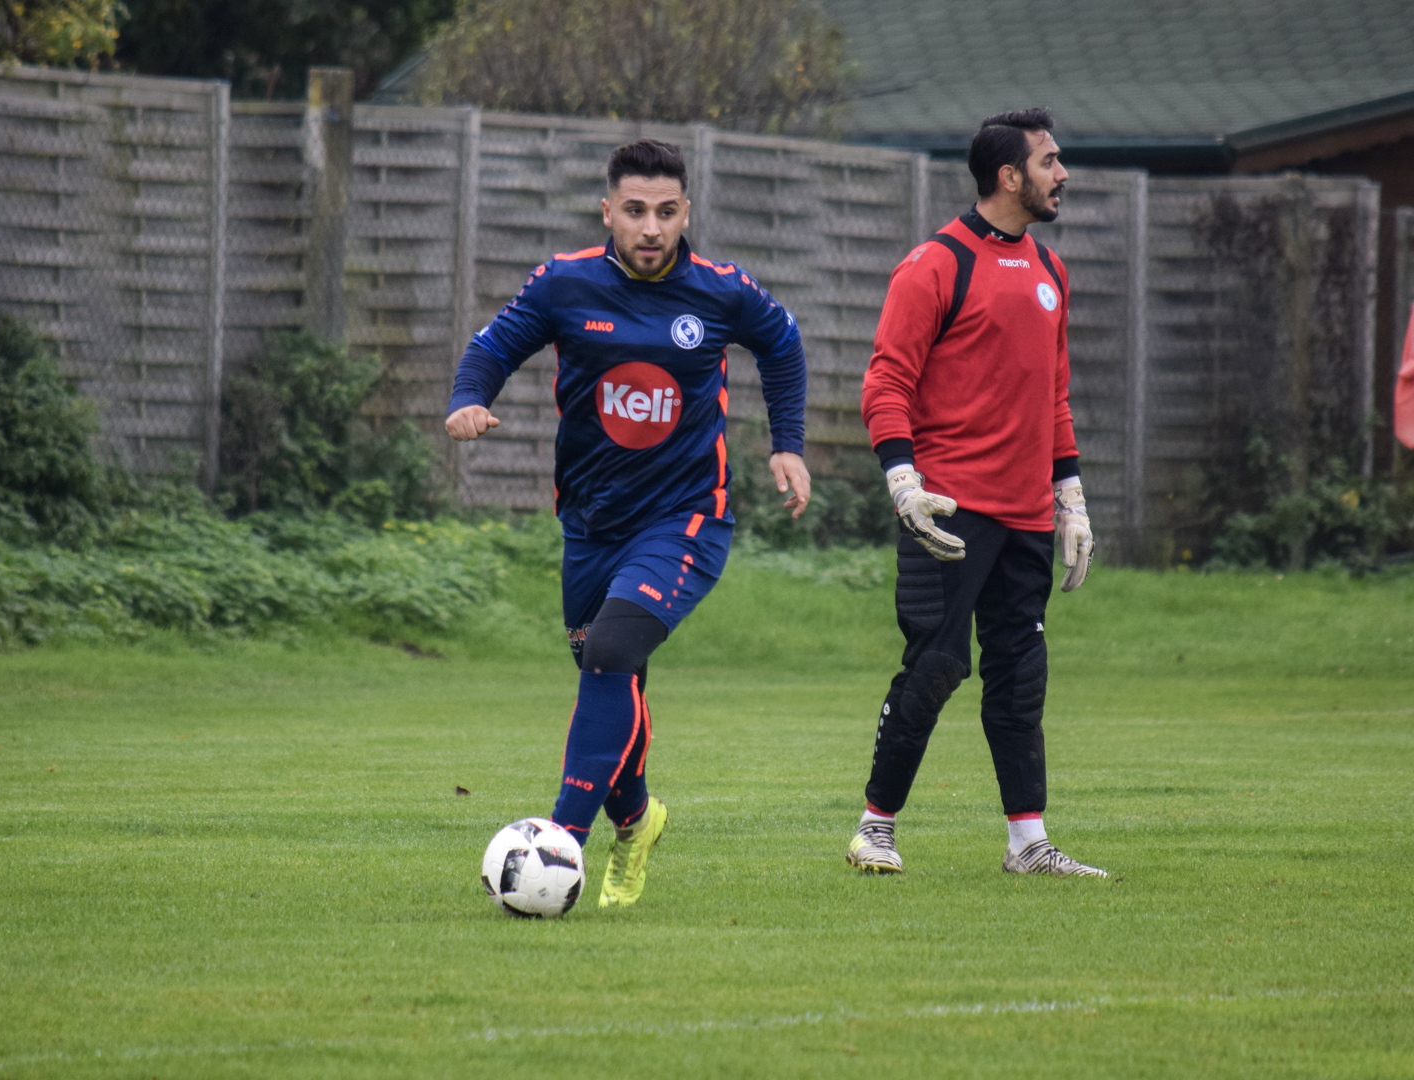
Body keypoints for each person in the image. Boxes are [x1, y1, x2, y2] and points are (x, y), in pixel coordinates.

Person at [447, 139, 810, 908]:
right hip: (591, 525)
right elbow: (493, 346)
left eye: (667, 212)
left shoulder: (721, 291)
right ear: (607, 211)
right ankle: (637, 821)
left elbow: (783, 343)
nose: (652, 227)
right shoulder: (565, 283)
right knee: (612, 674)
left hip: (686, 519)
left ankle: (561, 843)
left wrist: (788, 444)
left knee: (611, 652)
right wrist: (468, 399)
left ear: (687, 213)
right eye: (636, 211)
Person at [845, 109, 1106, 878]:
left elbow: (1054, 396)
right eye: (1050, 161)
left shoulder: (1052, 272)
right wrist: (903, 481)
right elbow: (885, 382)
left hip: (1027, 516)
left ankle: (1028, 844)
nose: (1062, 174)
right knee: (936, 665)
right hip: (949, 513)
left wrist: (1070, 498)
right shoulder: (934, 265)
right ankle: (875, 827)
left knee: (1021, 676)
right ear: (1009, 176)